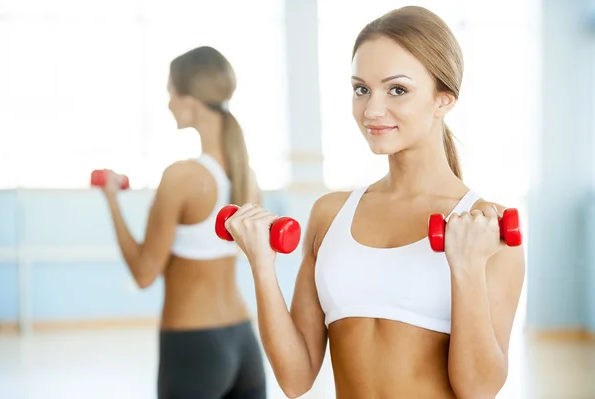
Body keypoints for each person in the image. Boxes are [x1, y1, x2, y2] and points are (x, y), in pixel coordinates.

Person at [223, 6, 526, 399]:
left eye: (397, 89)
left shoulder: (488, 229)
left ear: (443, 100)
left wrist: (466, 268)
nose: (371, 110)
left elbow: (478, 390)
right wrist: (262, 265)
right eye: (361, 88)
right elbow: (295, 379)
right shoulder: (330, 215)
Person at [99, 46, 266, 399]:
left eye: (170, 93)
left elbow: (144, 274)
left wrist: (112, 201)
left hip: (194, 345)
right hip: (243, 341)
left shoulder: (182, 176)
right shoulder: (246, 176)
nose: (168, 103)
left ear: (189, 99)